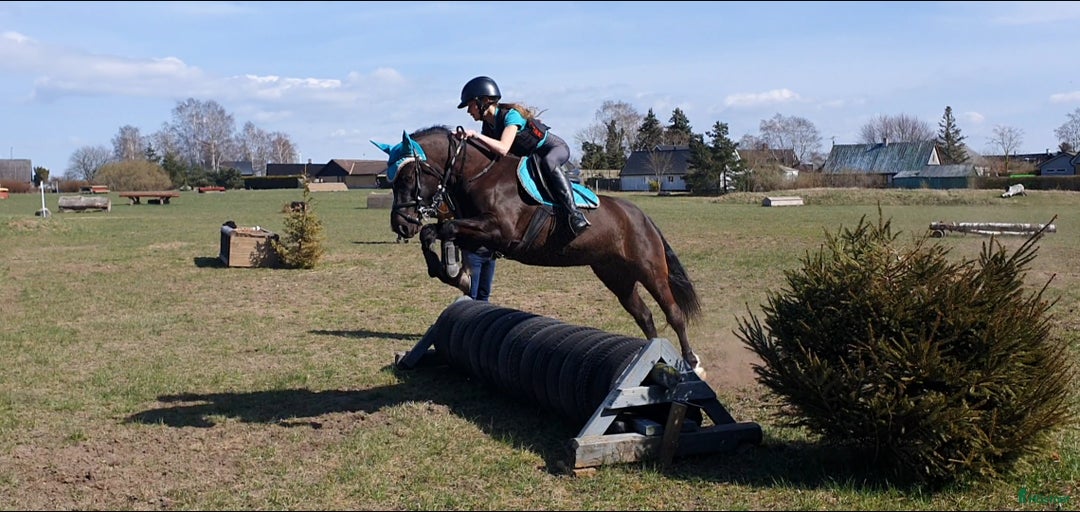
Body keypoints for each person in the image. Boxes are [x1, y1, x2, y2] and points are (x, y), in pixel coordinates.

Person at [456, 76, 590, 237]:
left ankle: (574, 214)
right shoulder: (489, 126)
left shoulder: (511, 116)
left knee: (549, 162)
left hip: (552, 149)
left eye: (470, 105)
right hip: (531, 158)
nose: (469, 111)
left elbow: (503, 148)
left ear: (483, 101)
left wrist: (475, 135)